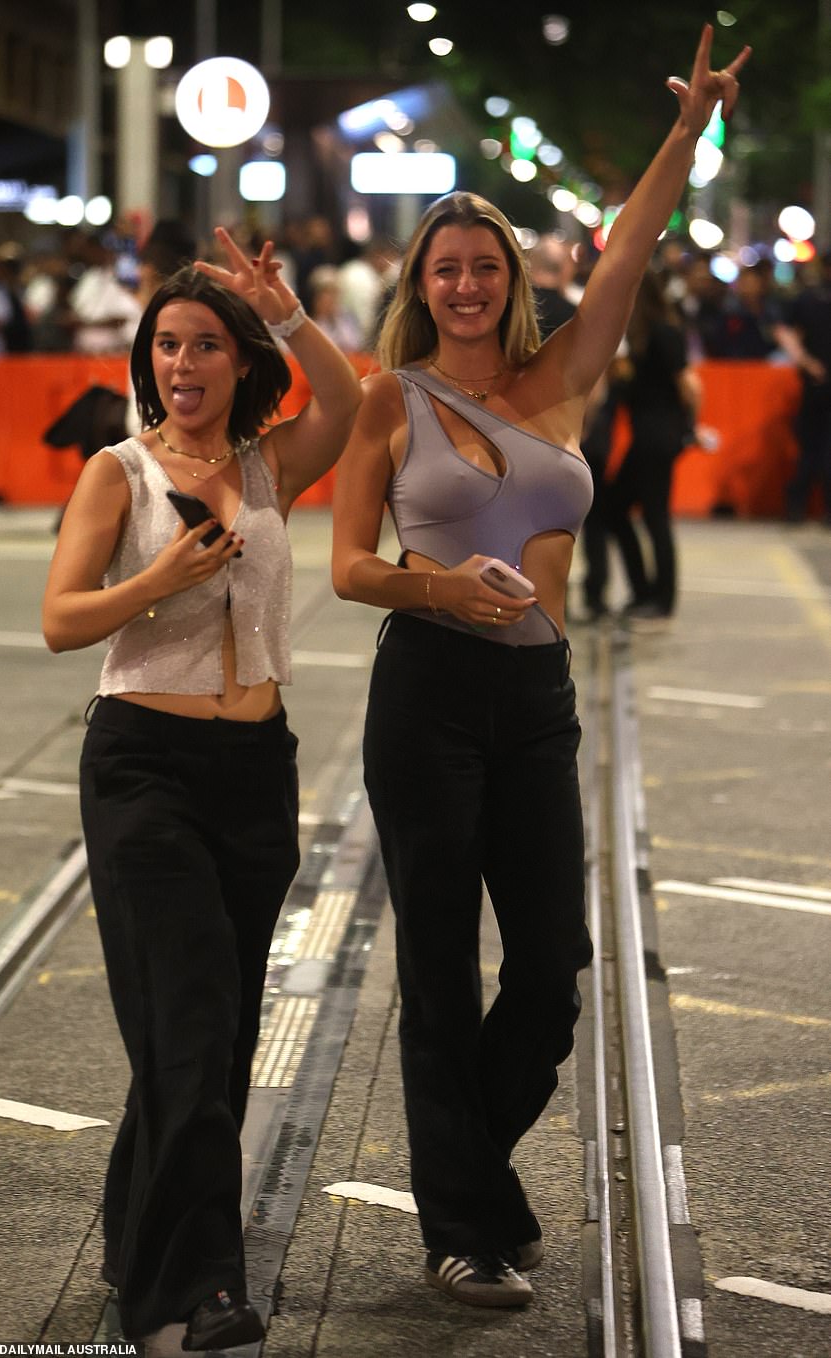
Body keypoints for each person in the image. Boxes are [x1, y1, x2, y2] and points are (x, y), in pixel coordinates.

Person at [331, 24, 747, 1311]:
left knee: (552, 967)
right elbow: (346, 565)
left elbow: (626, 244)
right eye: (443, 268)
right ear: (421, 282)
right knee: (438, 965)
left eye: (482, 266)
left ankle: (468, 1171)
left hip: (534, 697)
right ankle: (461, 1227)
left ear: (513, 279)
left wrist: (686, 133)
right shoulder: (387, 399)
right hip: (427, 690)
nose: (462, 285)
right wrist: (436, 584)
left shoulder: (563, 372)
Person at [41, 227, 360, 1356]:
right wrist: (153, 580)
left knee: (214, 1038)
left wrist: (287, 312)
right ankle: (194, 1289)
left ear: (236, 361)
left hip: (252, 775)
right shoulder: (115, 471)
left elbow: (350, 402)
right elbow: (60, 620)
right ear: (148, 361)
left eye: (205, 345)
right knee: (189, 1023)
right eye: (166, 345)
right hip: (143, 768)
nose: (182, 363)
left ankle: (137, 1229)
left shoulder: (270, 464)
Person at [606, 269, 699, 619]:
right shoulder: (643, 334)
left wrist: (689, 428)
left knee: (653, 515)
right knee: (621, 509)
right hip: (649, 435)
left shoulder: (662, 332)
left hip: (657, 436)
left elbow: (690, 386)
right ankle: (646, 592)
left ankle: (660, 597)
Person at [773, 249, 831, 525]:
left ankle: (796, 509)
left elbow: (785, 334)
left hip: (814, 383)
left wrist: (807, 364)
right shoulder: (809, 300)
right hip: (816, 385)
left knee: (810, 448)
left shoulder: (807, 300)